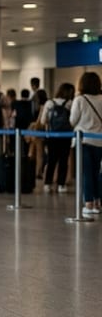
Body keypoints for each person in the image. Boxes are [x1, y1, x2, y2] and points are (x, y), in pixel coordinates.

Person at [70, 72, 102, 215]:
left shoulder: (80, 100)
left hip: (84, 141)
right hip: (100, 141)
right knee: (97, 173)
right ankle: (97, 203)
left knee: (86, 173)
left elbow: (72, 120)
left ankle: (88, 203)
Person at [41, 82, 75, 193]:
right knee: (63, 160)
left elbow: (43, 121)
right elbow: (73, 121)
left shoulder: (49, 103)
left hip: (52, 136)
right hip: (66, 136)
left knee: (51, 160)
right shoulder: (70, 103)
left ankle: (47, 184)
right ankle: (61, 184)